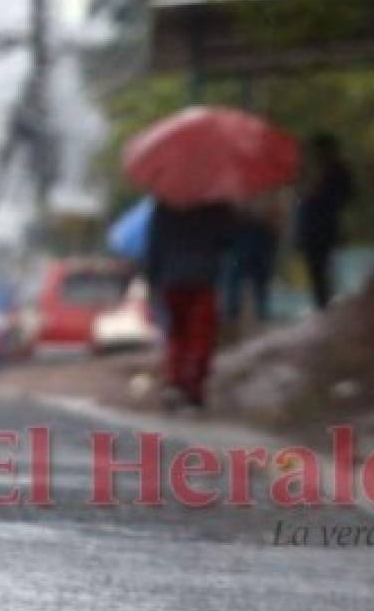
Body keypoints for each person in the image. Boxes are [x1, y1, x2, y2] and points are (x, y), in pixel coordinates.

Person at [146, 200, 237, 410]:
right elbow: (227, 241)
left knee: (177, 333)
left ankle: (174, 382)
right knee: (200, 336)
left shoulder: (165, 203)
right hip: (202, 279)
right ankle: (193, 386)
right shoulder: (216, 204)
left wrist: (153, 279)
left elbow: (154, 244)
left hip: (172, 279)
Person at [295, 133, 355, 309]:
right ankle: (322, 304)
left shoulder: (337, 172)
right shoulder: (311, 171)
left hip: (324, 227)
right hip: (312, 228)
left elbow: (344, 197)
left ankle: (324, 305)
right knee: (317, 270)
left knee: (323, 268)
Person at [223, 192, 285, 325]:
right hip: (248, 242)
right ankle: (237, 314)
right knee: (240, 280)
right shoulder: (256, 195)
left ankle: (238, 314)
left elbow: (275, 224)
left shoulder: (267, 196)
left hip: (253, 244)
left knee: (245, 281)